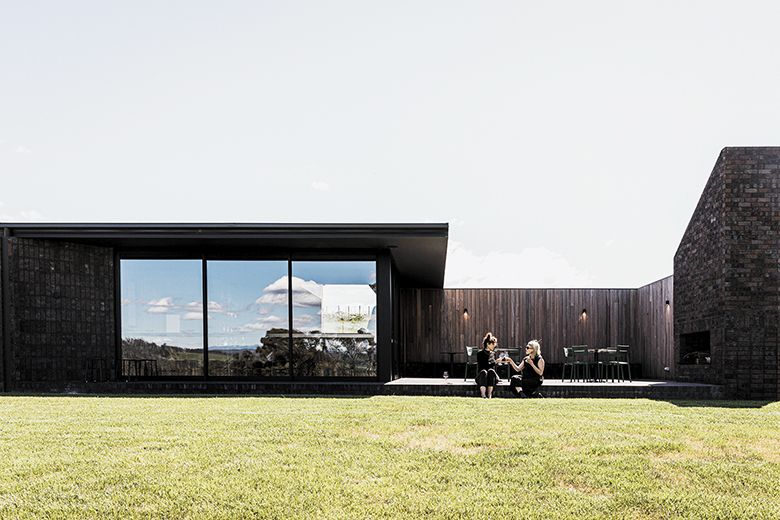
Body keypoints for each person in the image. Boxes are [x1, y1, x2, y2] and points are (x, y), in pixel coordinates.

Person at [476, 332, 502, 398]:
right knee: (484, 371)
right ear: (488, 344)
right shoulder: (480, 354)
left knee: (491, 371)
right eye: (493, 344)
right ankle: (483, 394)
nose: (494, 346)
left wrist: (496, 362)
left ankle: (489, 394)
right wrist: (495, 362)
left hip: (491, 376)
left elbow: (491, 367)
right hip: (482, 376)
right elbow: (483, 366)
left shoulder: (493, 353)